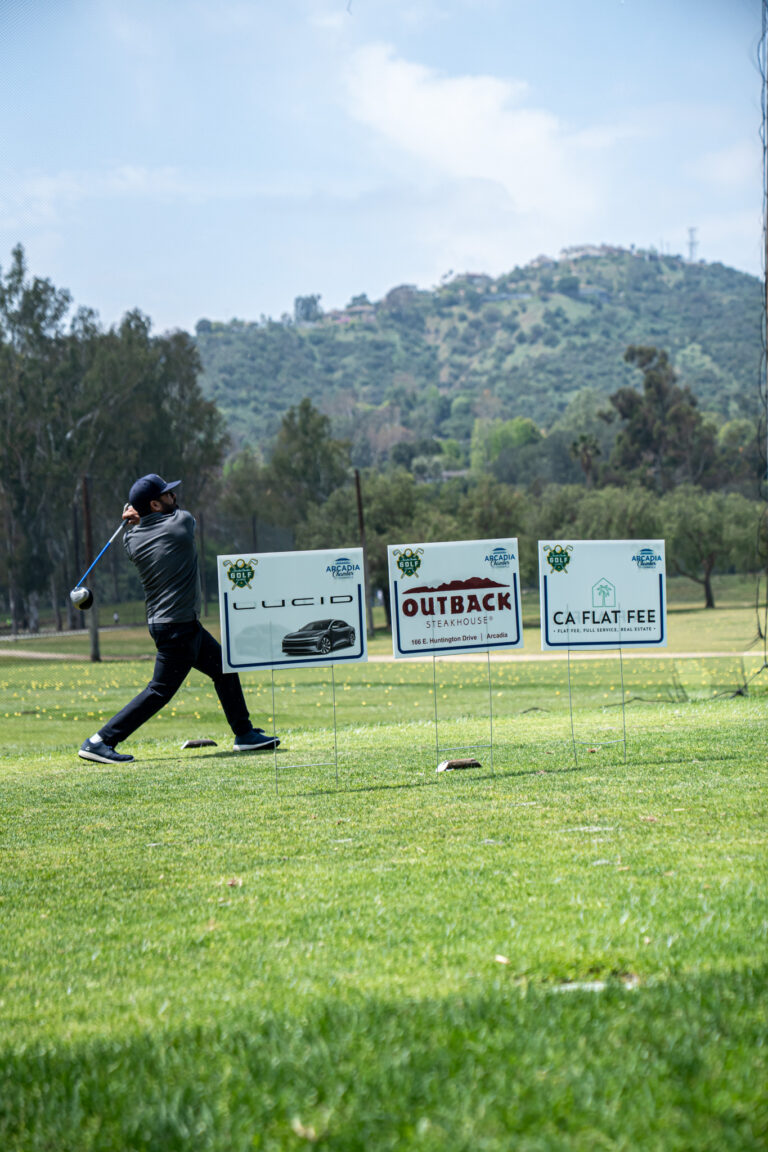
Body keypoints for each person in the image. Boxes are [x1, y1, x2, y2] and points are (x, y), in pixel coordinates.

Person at [78, 473, 280, 764]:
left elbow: (139, 520)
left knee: (225, 668)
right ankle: (100, 740)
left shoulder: (132, 539)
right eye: (168, 495)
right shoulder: (180, 525)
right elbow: (184, 516)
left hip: (176, 624)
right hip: (176, 628)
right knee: (159, 691)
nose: (174, 497)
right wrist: (138, 510)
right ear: (156, 504)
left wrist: (134, 511)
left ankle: (244, 734)